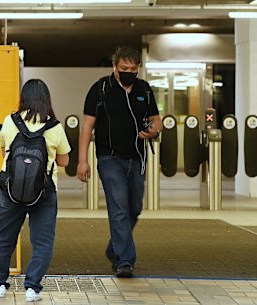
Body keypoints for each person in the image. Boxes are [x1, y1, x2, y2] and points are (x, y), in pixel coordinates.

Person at [77, 46, 163, 277]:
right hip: (109, 158)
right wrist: (82, 160)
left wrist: (153, 132)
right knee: (119, 209)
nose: (129, 72)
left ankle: (114, 248)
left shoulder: (144, 89)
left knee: (134, 208)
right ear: (115, 67)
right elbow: (87, 127)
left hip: (136, 159)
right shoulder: (100, 89)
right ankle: (125, 261)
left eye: (133, 69)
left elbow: (156, 120)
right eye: (124, 68)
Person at [0, 79, 70, 302]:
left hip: (11, 190)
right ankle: (32, 288)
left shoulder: (10, 121)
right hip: (44, 193)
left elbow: (3, 151)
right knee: (42, 241)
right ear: (47, 100)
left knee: (4, 237)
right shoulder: (54, 127)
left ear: (23, 97)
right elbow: (64, 161)